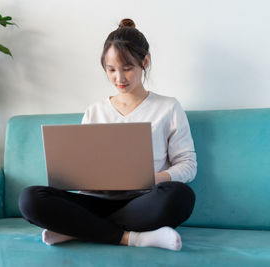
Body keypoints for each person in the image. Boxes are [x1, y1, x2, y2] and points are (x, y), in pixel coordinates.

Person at [19, 18, 197, 251]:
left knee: (181, 196)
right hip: (96, 202)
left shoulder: (168, 107)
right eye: (111, 70)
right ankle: (133, 238)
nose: (119, 79)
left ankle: (78, 230)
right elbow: (81, 168)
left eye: (127, 68)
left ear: (145, 62)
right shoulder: (94, 111)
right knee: (30, 199)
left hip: (144, 202)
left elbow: (188, 165)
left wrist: (152, 178)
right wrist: (80, 179)